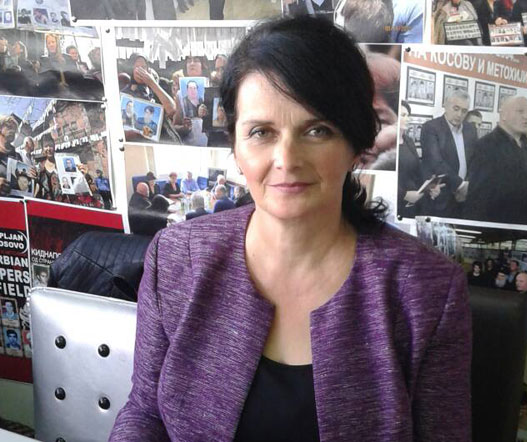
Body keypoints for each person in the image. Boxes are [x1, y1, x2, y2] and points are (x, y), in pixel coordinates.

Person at [110, 16, 471, 441]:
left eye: (317, 130)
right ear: (235, 146)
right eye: (261, 132)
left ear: (356, 145)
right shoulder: (176, 259)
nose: (286, 159)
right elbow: (145, 412)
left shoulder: (427, 290)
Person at [465, 96, 527, 225]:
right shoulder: (486, 147)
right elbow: (478, 198)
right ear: (504, 115)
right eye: (520, 111)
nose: (526, 117)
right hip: (497, 226)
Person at [420, 90, 478, 217]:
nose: (459, 114)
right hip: (441, 197)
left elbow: (475, 160)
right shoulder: (430, 128)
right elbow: (436, 162)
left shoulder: (471, 130)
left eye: (464, 111)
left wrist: (468, 185)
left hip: (465, 198)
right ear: (446, 105)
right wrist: (460, 185)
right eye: (456, 109)